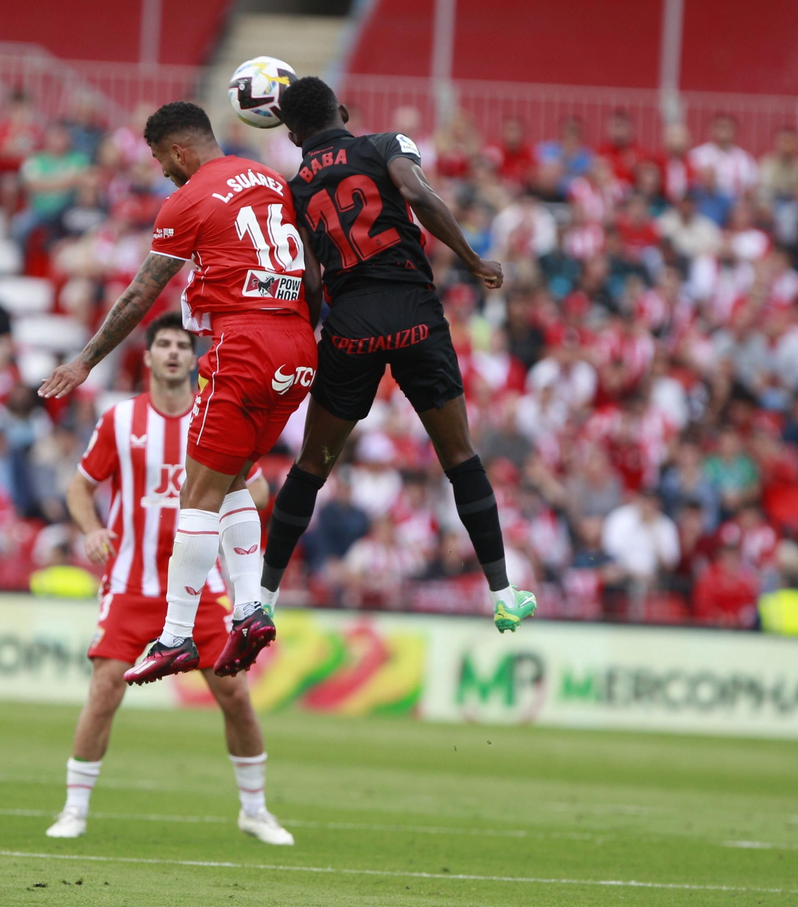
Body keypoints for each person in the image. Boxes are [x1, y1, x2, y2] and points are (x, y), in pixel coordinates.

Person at [39, 101, 320, 685]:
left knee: (197, 493)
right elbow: (313, 270)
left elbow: (141, 294)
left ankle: (175, 637)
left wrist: (86, 360)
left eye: (162, 158)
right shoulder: (271, 179)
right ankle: (249, 609)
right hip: (297, 346)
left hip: (242, 345)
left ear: (180, 150)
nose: (163, 171)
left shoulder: (187, 199)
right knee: (236, 476)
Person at [258, 76, 535, 634]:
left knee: (312, 465)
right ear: (340, 110)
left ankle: (261, 599)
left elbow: (310, 277)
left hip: (350, 327)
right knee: (460, 458)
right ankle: (503, 593)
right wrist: (473, 259)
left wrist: (311, 335)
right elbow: (417, 194)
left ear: (291, 134)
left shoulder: (293, 191)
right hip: (413, 314)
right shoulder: (386, 145)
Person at [46, 314, 292, 846]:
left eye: (183, 344)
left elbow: (262, 493)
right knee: (105, 688)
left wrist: (211, 513)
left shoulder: (219, 416)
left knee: (236, 696)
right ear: (151, 357)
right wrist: (90, 531)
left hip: (202, 589)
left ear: (194, 357)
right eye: (164, 344)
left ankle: (255, 809)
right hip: (132, 584)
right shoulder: (119, 420)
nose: (175, 352)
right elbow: (78, 488)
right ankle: (74, 809)